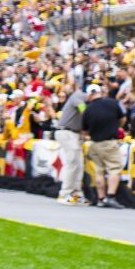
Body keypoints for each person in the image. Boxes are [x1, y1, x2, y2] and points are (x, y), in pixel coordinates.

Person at [81, 82, 126, 207]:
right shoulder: (112, 103)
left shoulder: (87, 109)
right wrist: (116, 127)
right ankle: (111, 197)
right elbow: (122, 118)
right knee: (114, 169)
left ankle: (101, 198)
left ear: (90, 94)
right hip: (109, 142)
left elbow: (84, 131)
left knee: (99, 171)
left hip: (95, 143)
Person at [54, 77, 87, 206]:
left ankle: (76, 194)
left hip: (73, 133)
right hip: (66, 131)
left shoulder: (80, 96)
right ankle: (64, 193)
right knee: (73, 162)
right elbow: (83, 108)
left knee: (79, 164)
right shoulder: (78, 95)